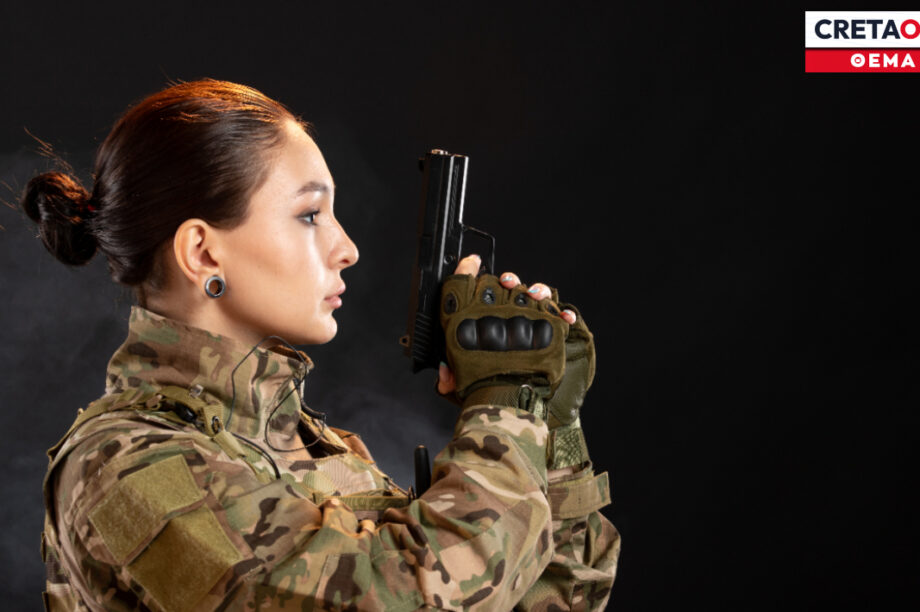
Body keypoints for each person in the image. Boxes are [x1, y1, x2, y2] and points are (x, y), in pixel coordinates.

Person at [25, 79, 619, 611]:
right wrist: (503, 409)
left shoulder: (322, 451)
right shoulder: (124, 464)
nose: (347, 248)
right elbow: (404, 599)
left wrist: (549, 427)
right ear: (203, 253)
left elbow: (544, 601)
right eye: (310, 215)